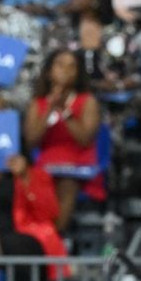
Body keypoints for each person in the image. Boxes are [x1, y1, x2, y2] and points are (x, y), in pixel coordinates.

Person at [23, 49, 102, 231]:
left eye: (72, 66)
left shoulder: (87, 101)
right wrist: (50, 109)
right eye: (60, 65)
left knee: (67, 184)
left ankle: (54, 237)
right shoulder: (39, 104)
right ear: (49, 72)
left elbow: (85, 139)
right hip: (45, 168)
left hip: (78, 168)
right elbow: (31, 141)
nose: (66, 70)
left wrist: (65, 112)